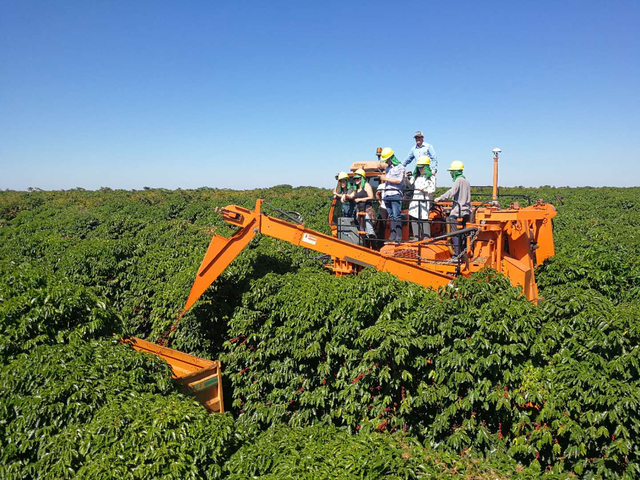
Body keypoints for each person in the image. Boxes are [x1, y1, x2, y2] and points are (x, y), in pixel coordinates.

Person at [435, 160, 471, 258]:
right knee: (463, 234)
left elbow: (452, 191)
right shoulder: (466, 181)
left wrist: (440, 198)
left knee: (455, 233)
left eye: (451, 172)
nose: (450, 174)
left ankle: (456, 255)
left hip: (458, 212)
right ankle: (463, 253)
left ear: (455, 172)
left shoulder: (458, 180)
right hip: (466, 211)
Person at [379, 147, 405, 243]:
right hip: (387, 194)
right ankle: (392, 235)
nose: (386, 162)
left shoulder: (400, 167)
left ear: (391, 158)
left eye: (387, 160)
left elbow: (399, 180)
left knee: (396, 216)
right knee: (391, 216)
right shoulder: (388, 168)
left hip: (395, 194)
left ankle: (398, 237)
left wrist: (385, 178)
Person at [408, 156, 436, 239]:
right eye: (419, 167)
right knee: (414, 219)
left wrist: (422, 188)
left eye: (422, 167)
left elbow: (432, 189)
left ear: (426, 167)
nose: (420, 169)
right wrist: (405, 178)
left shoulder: (431, 177)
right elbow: (410, 185)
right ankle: (416, 238)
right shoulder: (416, 177)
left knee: (424, 219)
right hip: (415, 201)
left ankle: (426, 239)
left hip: (424, 201)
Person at [346, 168, 375, 243]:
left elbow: (371, 197)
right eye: (355, 179)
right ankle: (366, 246)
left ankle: (374, 245)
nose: (356, 180)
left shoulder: (366, 185)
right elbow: (351, 196)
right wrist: (345, 196)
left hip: (367, 210)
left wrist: (361, 199)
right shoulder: (356, 188)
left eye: (358, 178)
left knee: (369, 230)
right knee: (362, 230)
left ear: (362, 178)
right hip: (359, 212)